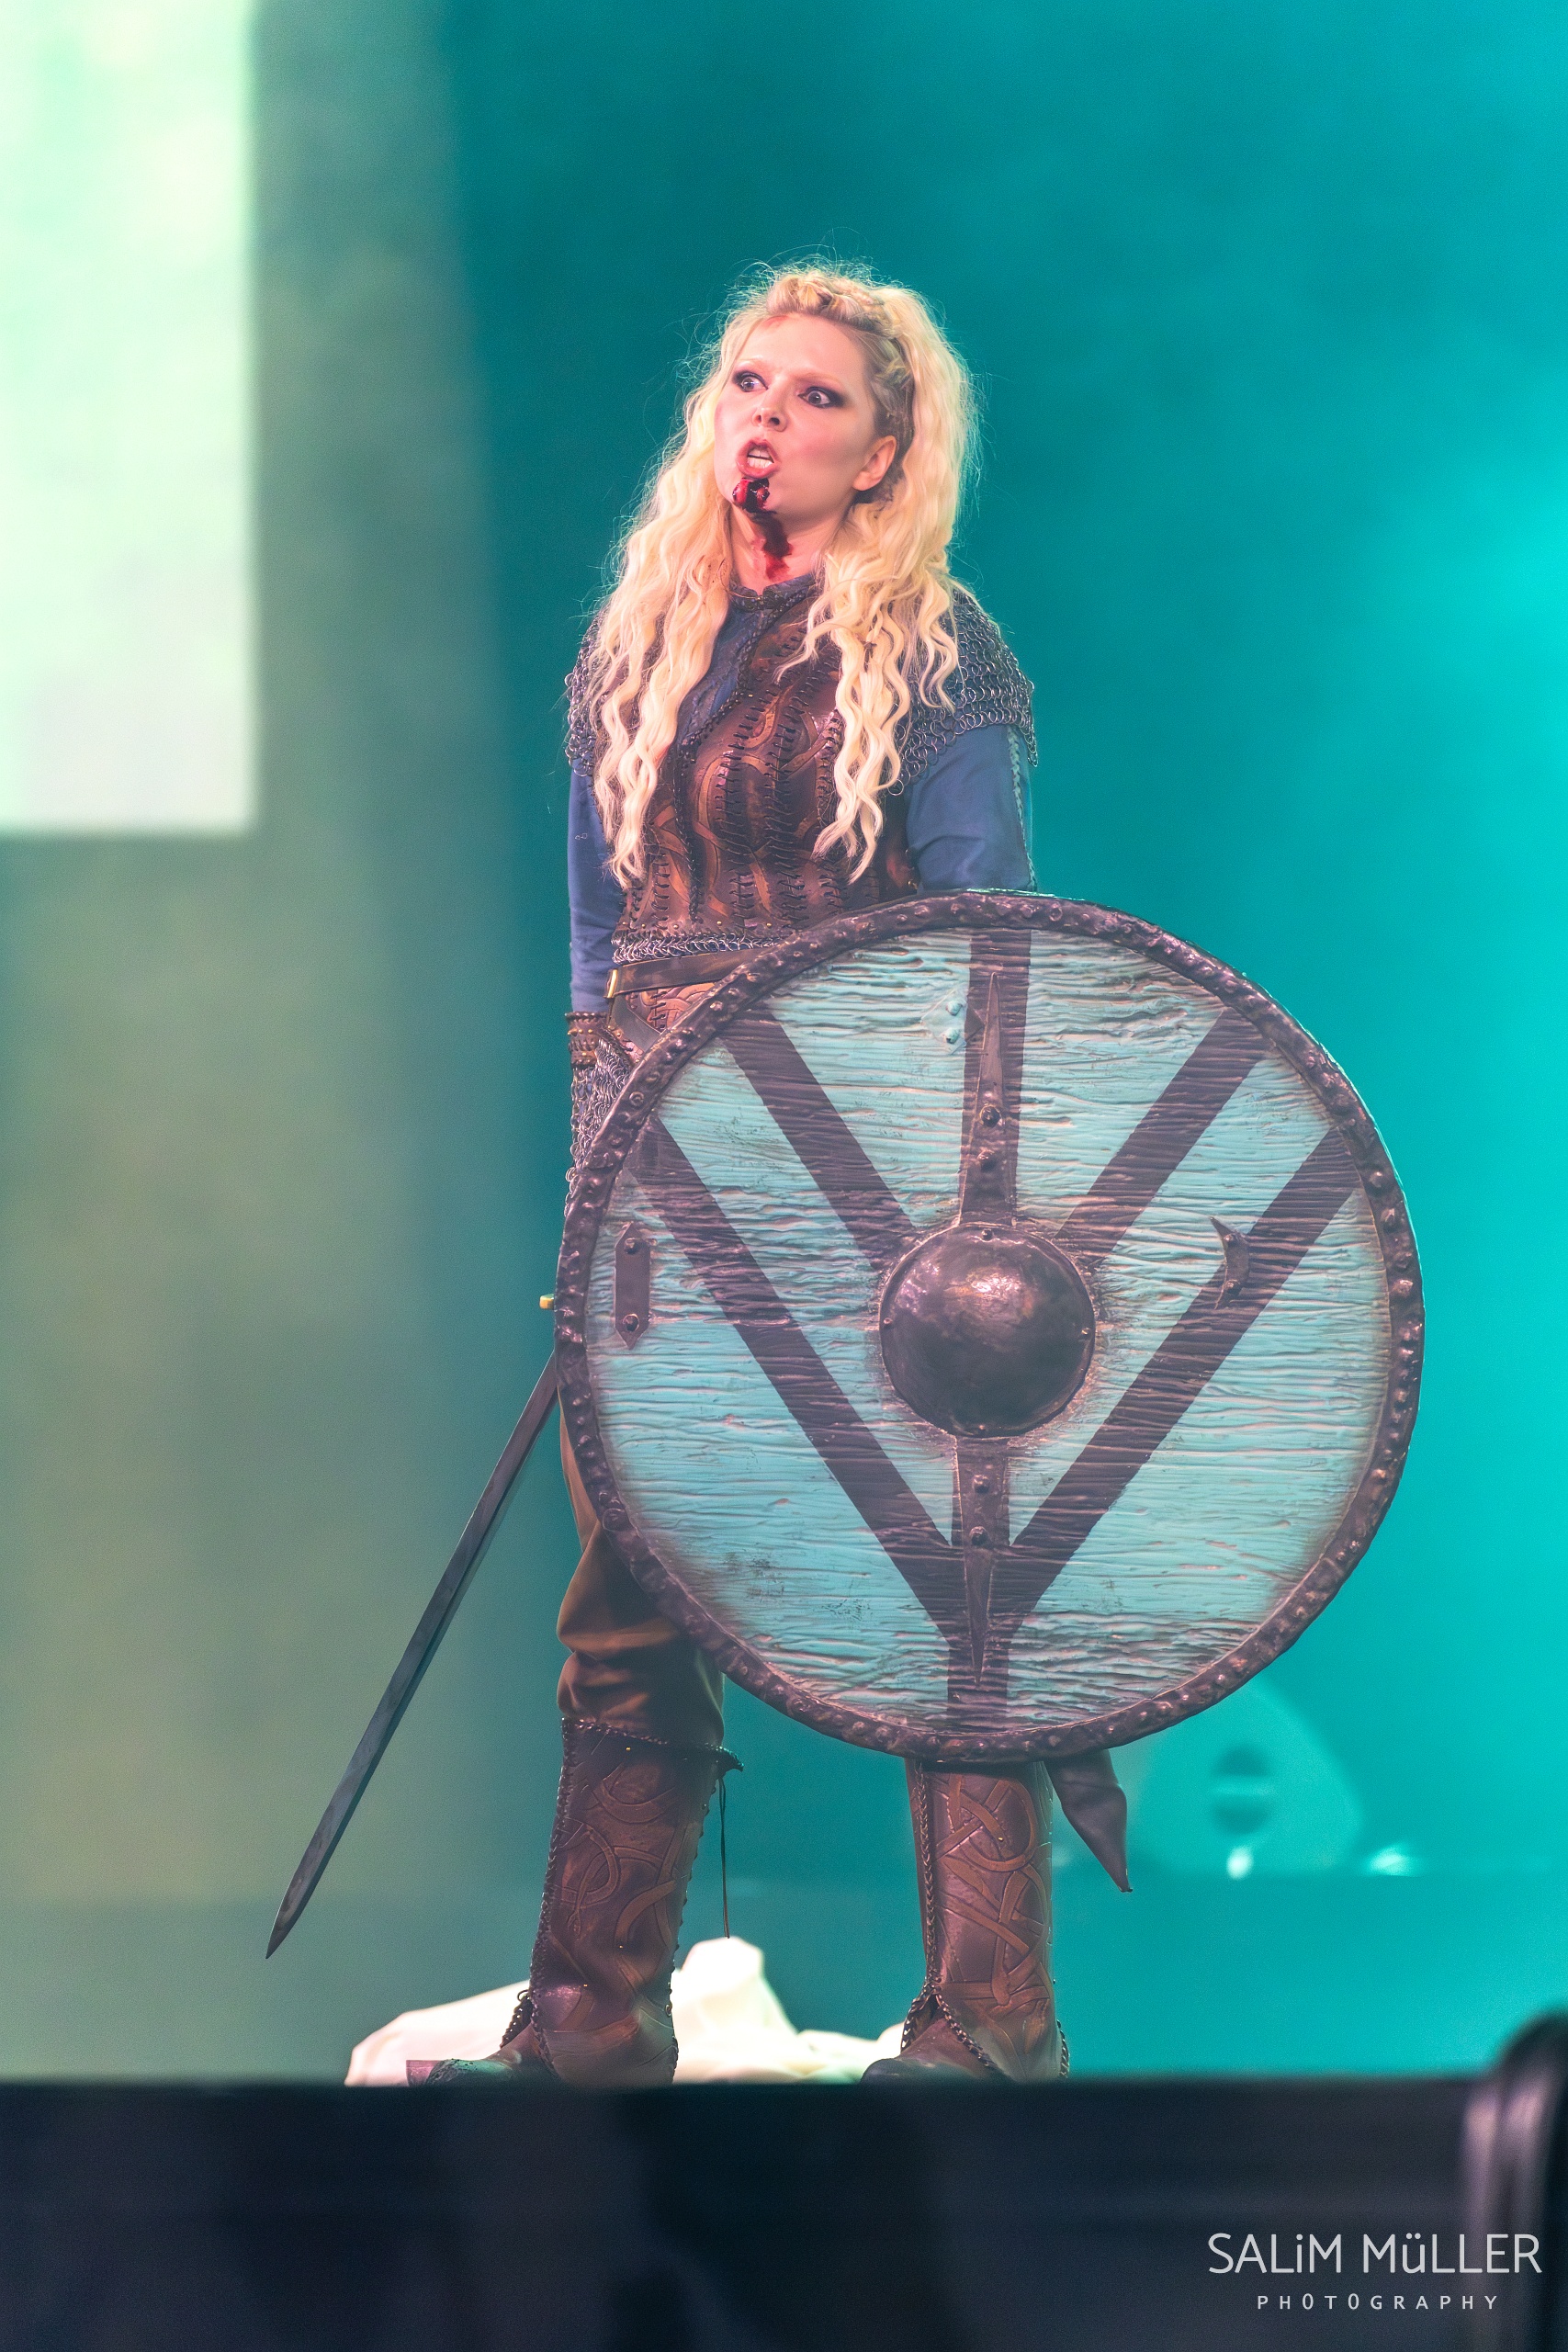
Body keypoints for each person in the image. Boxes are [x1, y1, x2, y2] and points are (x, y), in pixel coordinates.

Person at [416, 266, 1124, 2091]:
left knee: (942, 1601)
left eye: (816, 397)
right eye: (747, 381)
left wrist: (955, 1197)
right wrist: (600, 1190)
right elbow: (598, 956)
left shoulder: (934, 651)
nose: (768, 417)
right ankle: (590, 2018)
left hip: (865, 1185)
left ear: (881, 452)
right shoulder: (637, 647)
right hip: (662, 1184)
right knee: (631, 1596)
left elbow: (985, 939)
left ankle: (987, 2029)